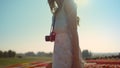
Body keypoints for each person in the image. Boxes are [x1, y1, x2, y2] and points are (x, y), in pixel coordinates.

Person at [48, 0, 83, 68]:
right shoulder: (56, 12)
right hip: (58, 56)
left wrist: (76, 60)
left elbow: (74, 32)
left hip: (69, 55)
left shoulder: (69, 3)